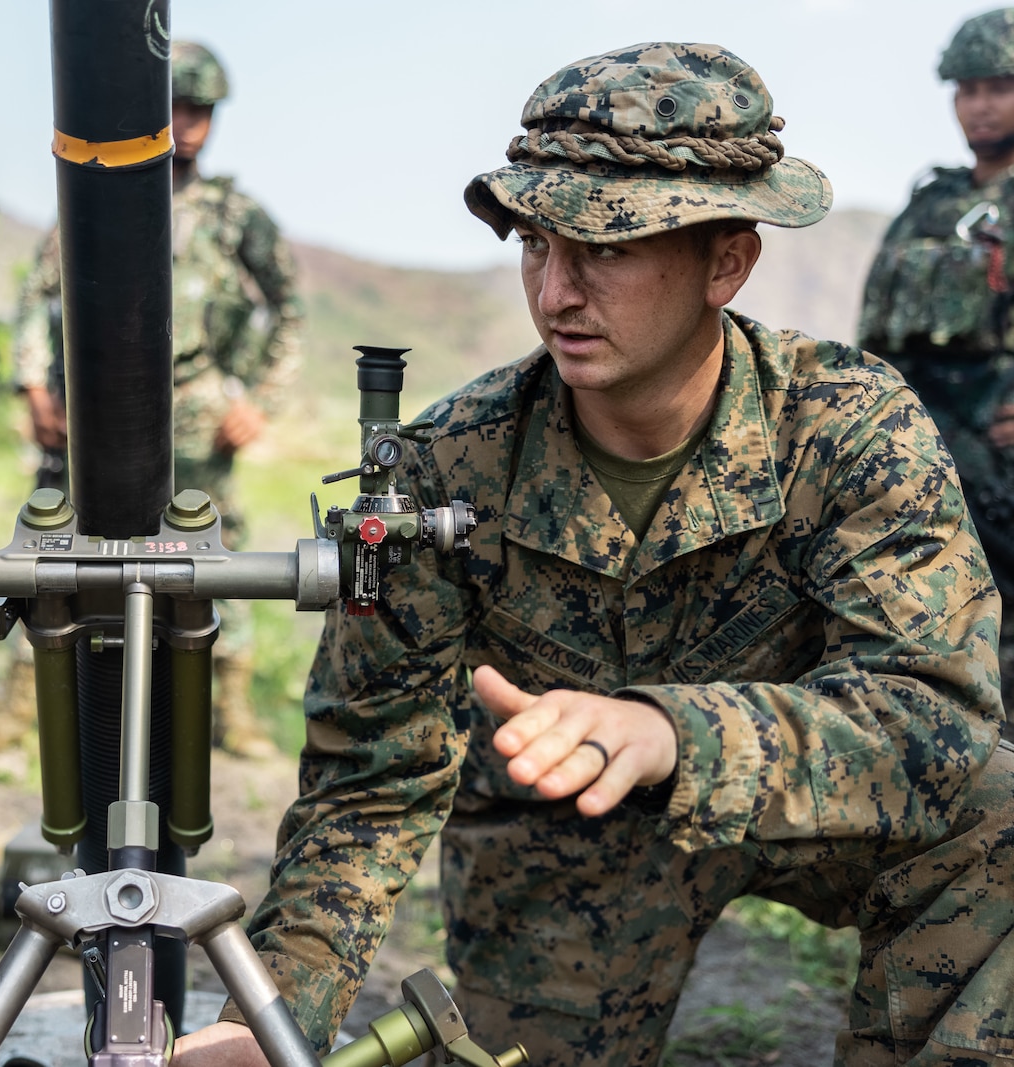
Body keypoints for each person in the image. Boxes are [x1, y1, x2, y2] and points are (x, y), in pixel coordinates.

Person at [175, 42, 1014, 1067]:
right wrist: (268, 1017)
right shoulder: (450, 463)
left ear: (727, 260)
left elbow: (935, 713)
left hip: (799, 800)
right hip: (562, 838)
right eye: (535, 241)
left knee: (998, 815)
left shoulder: (847, 426)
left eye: (605, 248)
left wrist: (672, 733)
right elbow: (369, 774)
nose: (557, 291)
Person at [0, 39, 304, 758]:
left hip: (193, 408)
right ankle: (18, 706)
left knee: (215, 550)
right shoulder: (92, 195)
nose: (188, 122)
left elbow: (289, 307)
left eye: (201, 109)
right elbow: (37, 296)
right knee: (53, 544)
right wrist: (34, 384)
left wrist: (260, 398)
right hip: (90, 406)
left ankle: (230, 709)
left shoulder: (235, 217)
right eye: (176, 106)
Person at [859, 7, 1014, 738]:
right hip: (934, 461)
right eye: (967, 88)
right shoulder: (932, 204)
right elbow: (878, 338)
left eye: (999, 86)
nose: (980, 105)